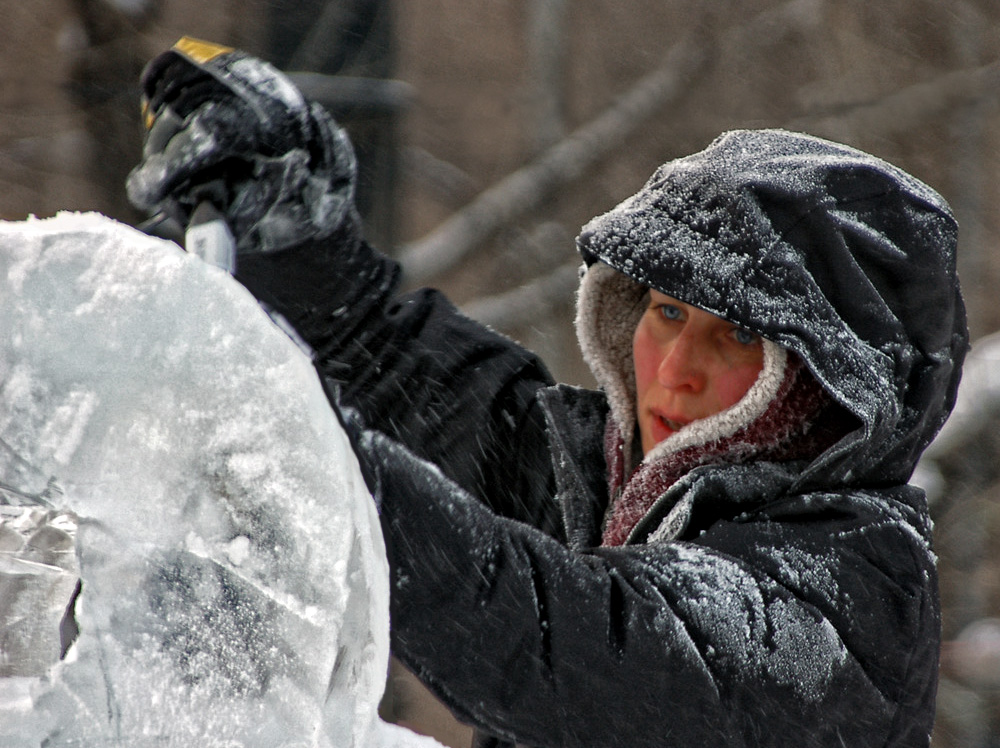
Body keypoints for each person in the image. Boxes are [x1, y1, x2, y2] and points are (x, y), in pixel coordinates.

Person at [127, 40, 967, 748]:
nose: (673, 368)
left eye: (738, 336)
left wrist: (318, 463)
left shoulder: (849, 597)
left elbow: (562, 643)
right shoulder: (592, 479)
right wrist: (291, 223)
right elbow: (382, 357)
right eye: (667, 311)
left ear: (827, 386)